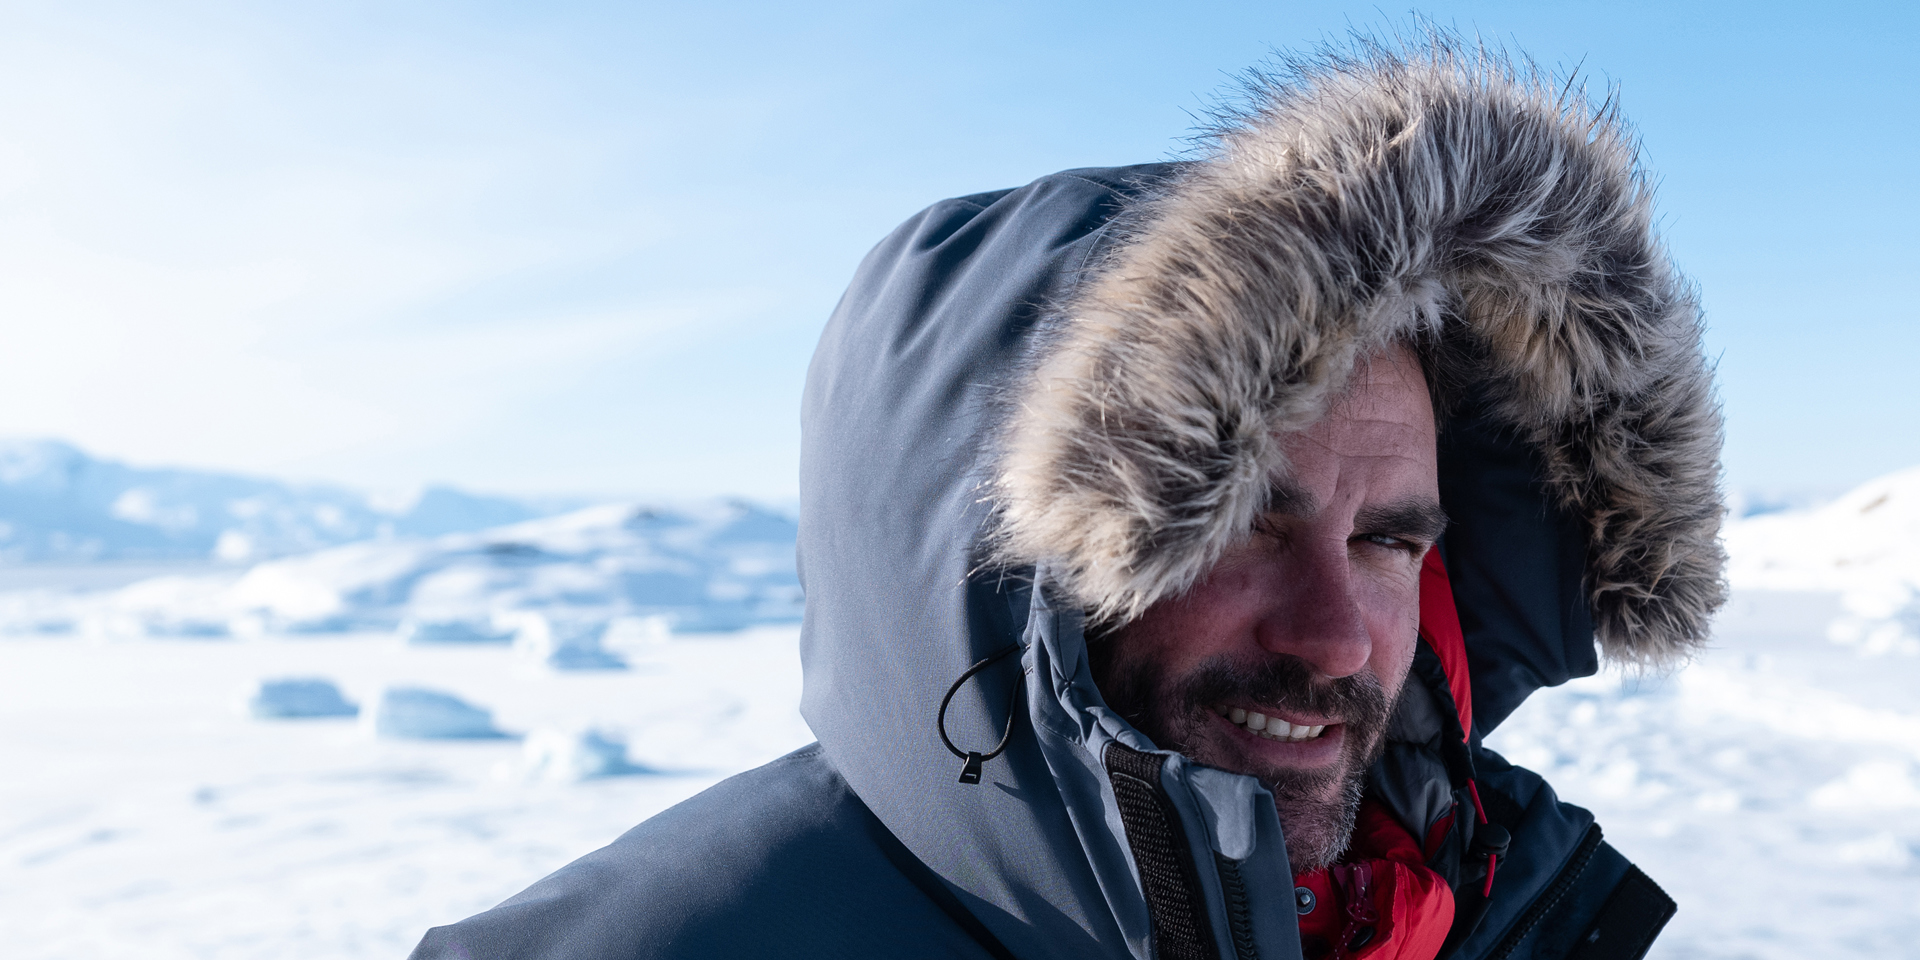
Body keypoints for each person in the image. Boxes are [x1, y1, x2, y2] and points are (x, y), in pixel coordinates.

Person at [412, 35, 1724, 960]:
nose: (1335, 634)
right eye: (1238, 517)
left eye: (1388, 540)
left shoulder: (1439, 909)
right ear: (995, 566)